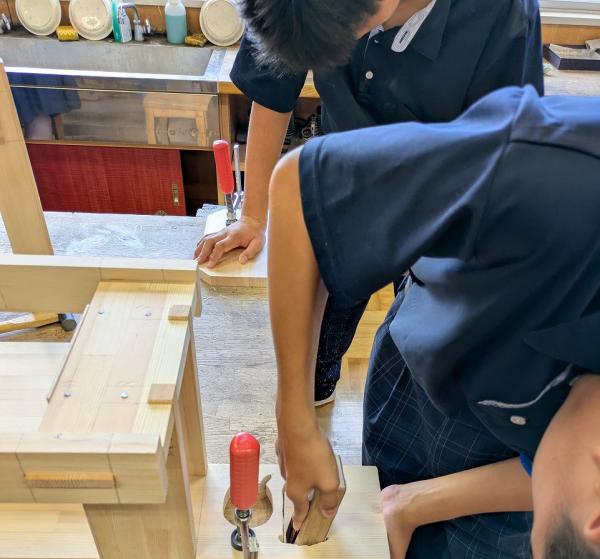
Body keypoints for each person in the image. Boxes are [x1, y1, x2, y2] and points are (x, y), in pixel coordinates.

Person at [267, 85, 600, 559]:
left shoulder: (572, 468)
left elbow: (544, 473)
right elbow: (301, 189)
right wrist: (297, 420)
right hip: (421, 381)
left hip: (530, 442)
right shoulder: (557, 176)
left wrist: (412, 504)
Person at [195, 0, 543, 404]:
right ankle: (321, 385)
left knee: (420, 370)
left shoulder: (503, 14)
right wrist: (254, 216)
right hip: (345, 186)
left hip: (442, 211)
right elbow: (273, 89)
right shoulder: (294, 7)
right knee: (315, 359)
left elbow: (501, 161)